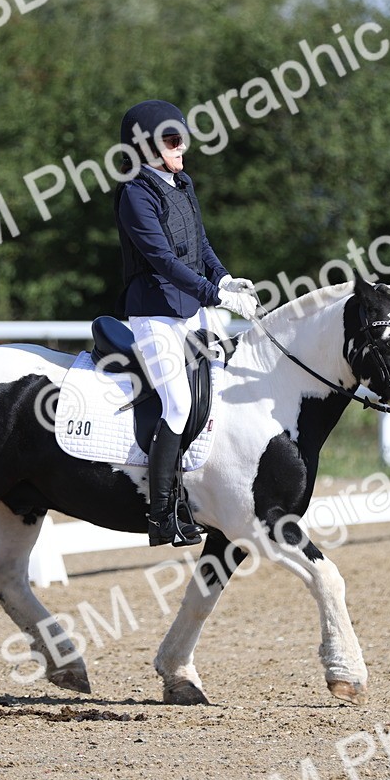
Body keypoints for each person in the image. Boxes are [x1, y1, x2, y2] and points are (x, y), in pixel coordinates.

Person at [113, 99, 260, 547]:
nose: (182, 148)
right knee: (177, 405)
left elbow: (200, 243)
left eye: (183, 139)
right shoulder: (134, 194)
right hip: (154, 315)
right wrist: (218, 296)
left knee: (225, 389)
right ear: (147, 148)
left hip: (191, 310)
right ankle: (161, 514)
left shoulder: (181, 182)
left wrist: (225, 277)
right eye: (173, 141)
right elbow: (162, 260)